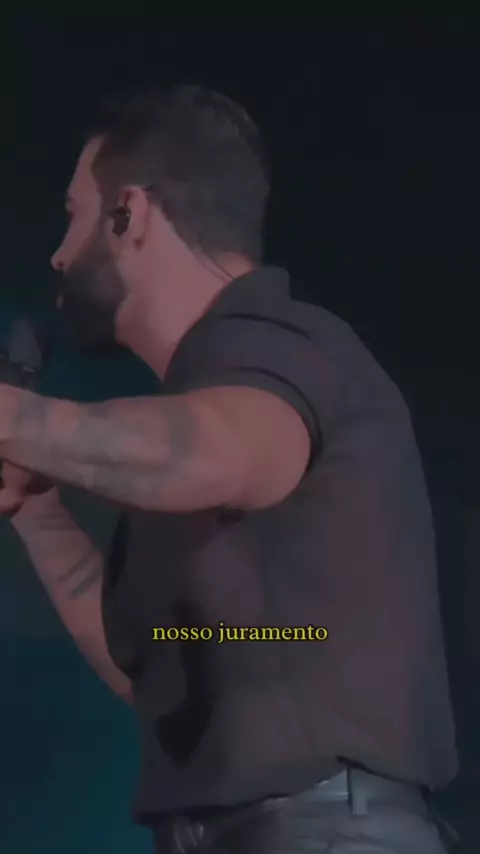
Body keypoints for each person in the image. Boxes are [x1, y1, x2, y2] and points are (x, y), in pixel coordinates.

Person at [0, 85, 458, 853]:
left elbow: (218, 451)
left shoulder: (284, 342)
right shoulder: (178, 440)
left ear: (130, 214)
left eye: (74, 214)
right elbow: (144, 670)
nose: (57, 253)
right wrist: (37, 510)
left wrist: (14, 417)